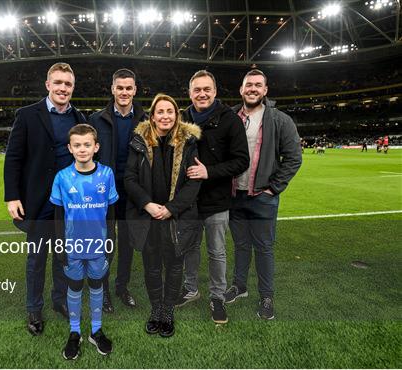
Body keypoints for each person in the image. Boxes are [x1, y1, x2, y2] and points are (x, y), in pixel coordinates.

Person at [4, 62, 85, 336]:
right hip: (38, 202)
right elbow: (13, 158)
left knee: (64, 258)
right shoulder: (27, 115)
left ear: (73, 88)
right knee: (36, 260)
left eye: (68, 84)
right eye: (58, 82)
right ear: (48, 85)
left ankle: (60, 300)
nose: (63, 88)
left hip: (68, 205)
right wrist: (12, 196)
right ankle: (34, 309)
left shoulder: (79, 118)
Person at [225, 69, 302, 320]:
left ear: (265, 90)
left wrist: (273, 187)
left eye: (258, 85)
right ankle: (239, 286)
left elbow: (294, 158)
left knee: (264, 248)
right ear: (241, 89)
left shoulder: (280, 119)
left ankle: (267, 295)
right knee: (240, 245)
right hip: (236, 195)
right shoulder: (231, 117)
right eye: (249, 85)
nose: (253, 89)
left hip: (262, 197)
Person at [176, 70, 249, 325]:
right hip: (188, 201)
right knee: (189, 248)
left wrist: (209, 172)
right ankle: (190, 288)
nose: (202, 94)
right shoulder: (181, 119)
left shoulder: (230, 119)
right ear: (190, 93)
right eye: (197, 89)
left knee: (217, 251)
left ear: (215, 92)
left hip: (216, 199)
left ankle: (217, 297)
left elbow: (242, 161)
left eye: (207, 89)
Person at [125, 94, 202, 337]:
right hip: (148, 216)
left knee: (175, 265)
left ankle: (168, 310)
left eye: (170, 111)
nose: (165, 116)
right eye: (160, 111)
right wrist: (147, 205)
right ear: (153, 115)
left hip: (176, 217)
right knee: (152, 267)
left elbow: (193, 182)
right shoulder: (139, 141)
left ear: (177, 115)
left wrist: (172, 208)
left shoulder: (188, 142)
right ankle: (156, 309)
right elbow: (129, 179)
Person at [50, 124, 118, 360]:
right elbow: (58, 217)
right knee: (76, 287)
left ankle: (96, 330)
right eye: (77, 145)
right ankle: (75, 332)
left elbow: (111, 214)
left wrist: (112, 242)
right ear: (70, 148)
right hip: (73, 247)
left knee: (97, 285)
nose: (82, 149)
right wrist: (60, 247)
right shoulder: (62, 177)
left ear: (96, 147)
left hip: (99, 246)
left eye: (87, 144)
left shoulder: (107, 174)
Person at [89, 68, 147, 312]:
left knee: (126, 243)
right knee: (105, 243)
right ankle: (101, 292)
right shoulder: (95, 119)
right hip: (105, 192)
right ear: (112, 89)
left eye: (128, 88)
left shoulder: (146, 120)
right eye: (120, 87)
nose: (124, 92)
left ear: (135, 90)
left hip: (133, 191)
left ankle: (122, 287)